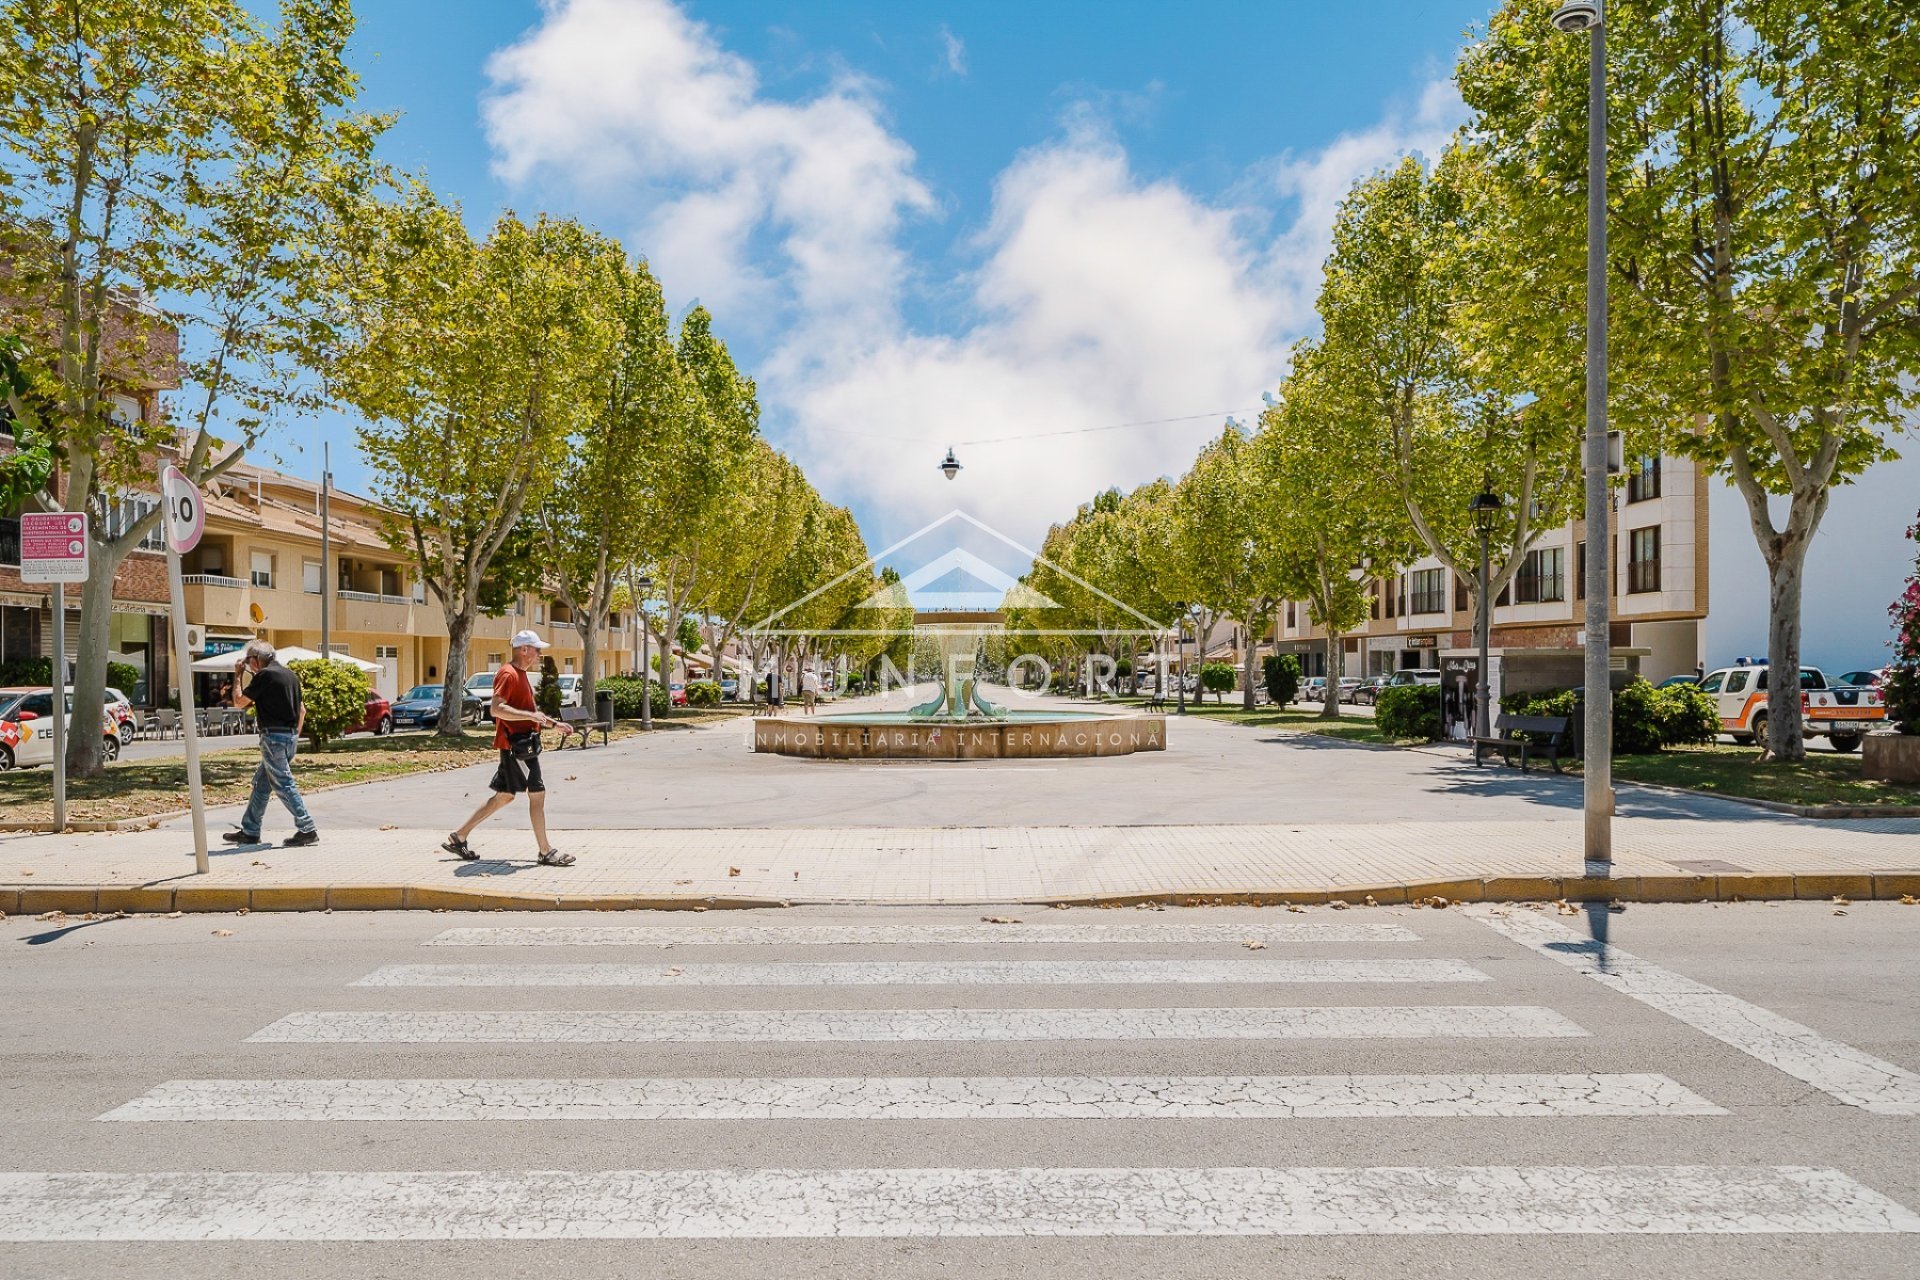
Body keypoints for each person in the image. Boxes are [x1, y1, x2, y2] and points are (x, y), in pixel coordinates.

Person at [442, 631, 574, 867]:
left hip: (520, 744)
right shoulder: (508, 673)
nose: (539, 653)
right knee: (537, 793)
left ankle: (458, 837)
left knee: (504, 796)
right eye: (536, 649)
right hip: (517, 746)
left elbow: (528, 712)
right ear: (524, 649)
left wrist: (553, 724)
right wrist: (532, 716)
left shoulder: (520, 675)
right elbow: (496, 709)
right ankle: (545, 851)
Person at [223, 640, 319, 848]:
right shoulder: (290, 676)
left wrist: (238, 675)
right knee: (262, 784)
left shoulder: (264, 676)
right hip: (290, 737)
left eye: (249, 661)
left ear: (257, 660)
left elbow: (239, 702)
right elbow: (302, 711)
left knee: (284, 784)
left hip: (273, 738)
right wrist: (293, 734)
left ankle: (307, 827)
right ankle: (250, 830)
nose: (248, 665)